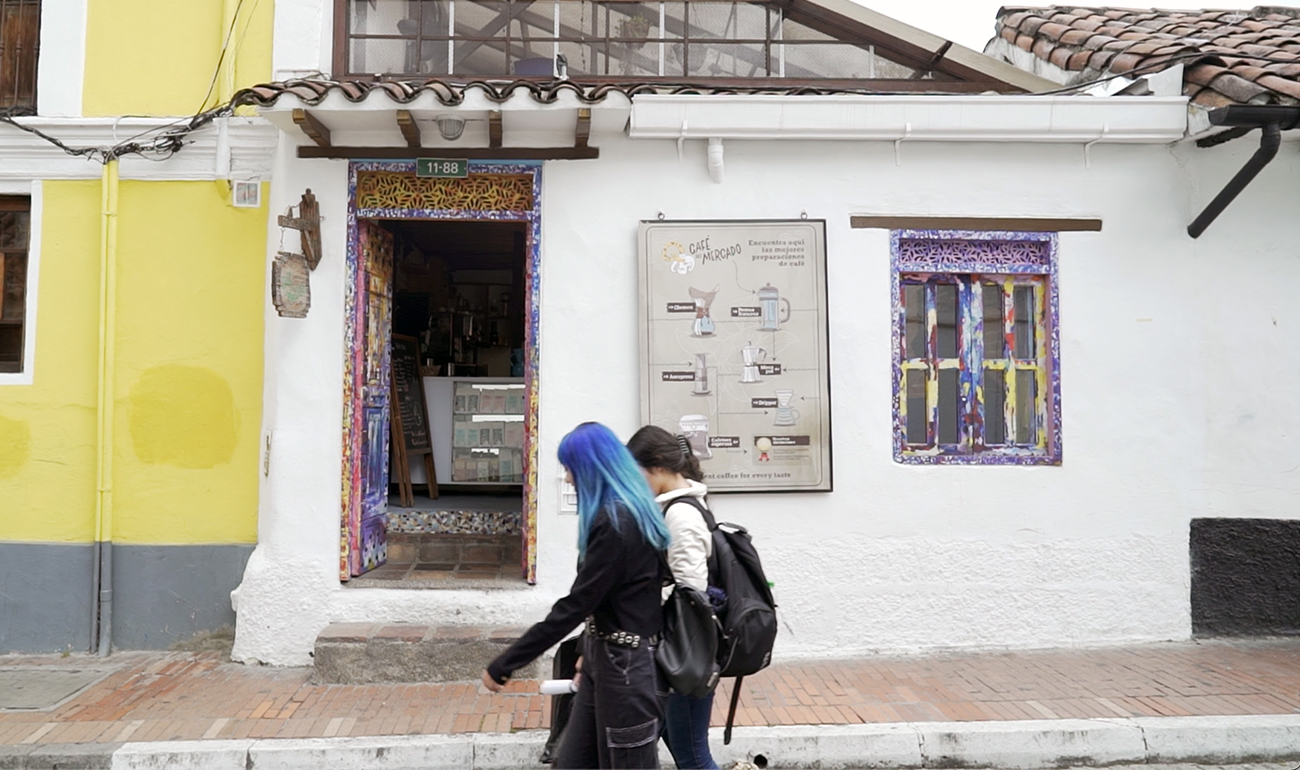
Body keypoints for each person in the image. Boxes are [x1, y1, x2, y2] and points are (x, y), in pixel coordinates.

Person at [482, 422, 670, 770]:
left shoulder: (617, 523)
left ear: (590, 469)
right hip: (607, 659)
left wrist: (507, 662)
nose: (568, 479)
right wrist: (588, 651)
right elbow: (604, 600)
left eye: (570, 469)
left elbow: (577, 605)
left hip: (624, 668)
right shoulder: (623, 513)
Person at [627, 425, 719, 770]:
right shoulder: (679, 506)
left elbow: (692, 594)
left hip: (687, 653)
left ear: (659, 467)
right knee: (674, 746)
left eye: (638, 474)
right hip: (680, 652)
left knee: (693, 757)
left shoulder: (681, 514)